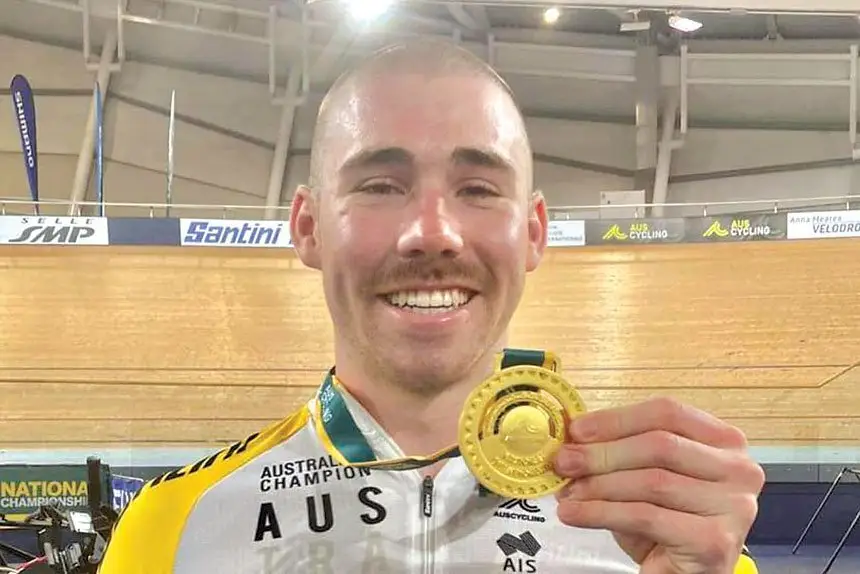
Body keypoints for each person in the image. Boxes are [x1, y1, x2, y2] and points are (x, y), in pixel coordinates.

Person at [97, 38, 765, 573]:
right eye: (381, 185)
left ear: (532, 232)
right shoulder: (172, 529)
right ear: (309, 226)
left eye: (477, 188)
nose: (432, 233)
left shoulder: (670, 540)